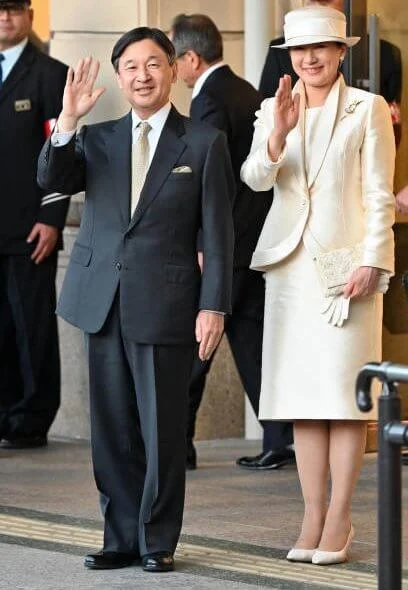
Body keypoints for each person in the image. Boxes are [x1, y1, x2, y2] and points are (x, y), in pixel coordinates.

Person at [38, 27, 234, 573]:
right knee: (113, 429)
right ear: (119, 75)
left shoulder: (203, 142)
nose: (142, 75)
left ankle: (157, 539)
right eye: (130, 66)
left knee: (162, 429)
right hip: (101, 303)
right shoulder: (96, 139)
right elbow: (51, 181)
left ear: (173, 69)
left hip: (168, 304)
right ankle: (121, 536)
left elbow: (218, 236)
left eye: (153, 64)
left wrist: (213, 304)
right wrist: (69, 120)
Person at [241, 5, 395, 565]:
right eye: (299, 51)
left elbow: (379, 193)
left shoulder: (367, 108)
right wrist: (277, 133)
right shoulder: (272, 108)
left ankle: (339, 518)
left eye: (321, 49)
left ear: (340, 52)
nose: (309, 59)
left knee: (345, 399)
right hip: (290, 270)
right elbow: (255, 177)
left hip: (347, 270)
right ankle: (310, 514)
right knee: (305, 399)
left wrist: (373, 262)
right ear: (289, 56)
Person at [170, 13, 294, 471]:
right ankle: (279, 439)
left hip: (227, 244)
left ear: (190, 57)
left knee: (198, 344)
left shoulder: (209, 102)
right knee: (251, 341)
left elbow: (210, 181)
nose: (172, 70)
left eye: (173, 58)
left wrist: (204, 242)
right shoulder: (245, 91)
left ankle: (175, 443)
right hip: (255, 240)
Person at [0, 0, 69, 449]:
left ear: (28, 14)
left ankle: (32, 416)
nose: (4, 18)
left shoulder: (49, 73)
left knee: (32, 325)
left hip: (30, 228)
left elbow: (61, 149)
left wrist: (52, 216)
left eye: (11, 10)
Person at [259, 0, 402, 146]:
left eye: (320, 46)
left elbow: (392, 130)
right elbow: (268, 112)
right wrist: (278, 136)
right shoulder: (279, 54)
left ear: (342, 50)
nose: (309, 58)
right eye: (299, 48)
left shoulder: (385, 53)